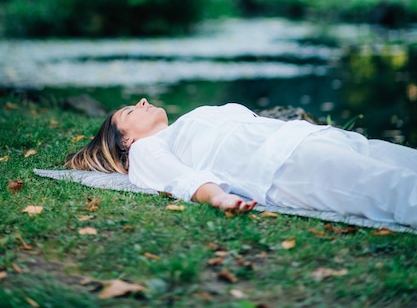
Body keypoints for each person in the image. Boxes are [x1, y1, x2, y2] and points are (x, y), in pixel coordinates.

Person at [66, 99, 417, 226]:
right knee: (390, 186)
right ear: (126, 141)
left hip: (305, 137)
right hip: (283, 166)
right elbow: (179, 178)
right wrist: (218, 197)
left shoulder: (185, 122)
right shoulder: (146, 151)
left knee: (400, 159)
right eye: (130, 111)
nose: (142, 101)